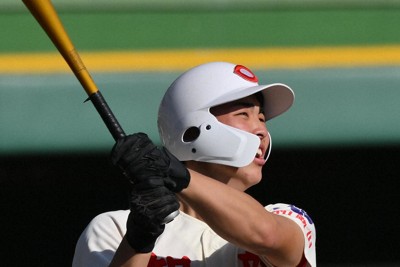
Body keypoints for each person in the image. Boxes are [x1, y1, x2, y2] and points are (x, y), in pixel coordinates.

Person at [72, 62, 316, 267]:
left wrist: (173, 171)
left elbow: (266, 234)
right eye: (244, 114)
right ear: (191, 130)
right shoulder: (114, 229)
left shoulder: (286, 218)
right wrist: (138, 240)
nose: (262, 130)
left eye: (262, 118)